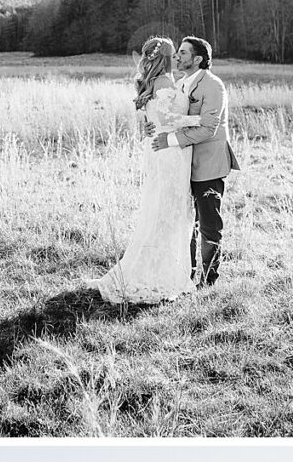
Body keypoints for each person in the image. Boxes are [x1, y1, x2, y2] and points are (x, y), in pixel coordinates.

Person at [95, 35, 194, 303]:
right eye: (173, 54)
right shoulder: (163, 82)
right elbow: (166, 119)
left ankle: (159, 266)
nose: (176, 59)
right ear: (162, 59)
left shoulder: (151, 84)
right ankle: (154, 272)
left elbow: (148, 125)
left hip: (158, 149)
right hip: (169, 153)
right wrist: (201, 120)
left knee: (161, 210)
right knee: (167, 213)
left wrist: (153, 127)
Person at [152, 35, 234, 288]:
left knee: (209, 223)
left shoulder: (212, 85)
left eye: (183, 53)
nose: (177, 56)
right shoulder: (182, 83)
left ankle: (208, 281)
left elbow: (209, 128)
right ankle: (184, 276)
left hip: (208, 163)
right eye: (177, 52)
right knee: (185, 220)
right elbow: (174, 116)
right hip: (183, 164)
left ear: (198, 59)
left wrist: (171, 140)